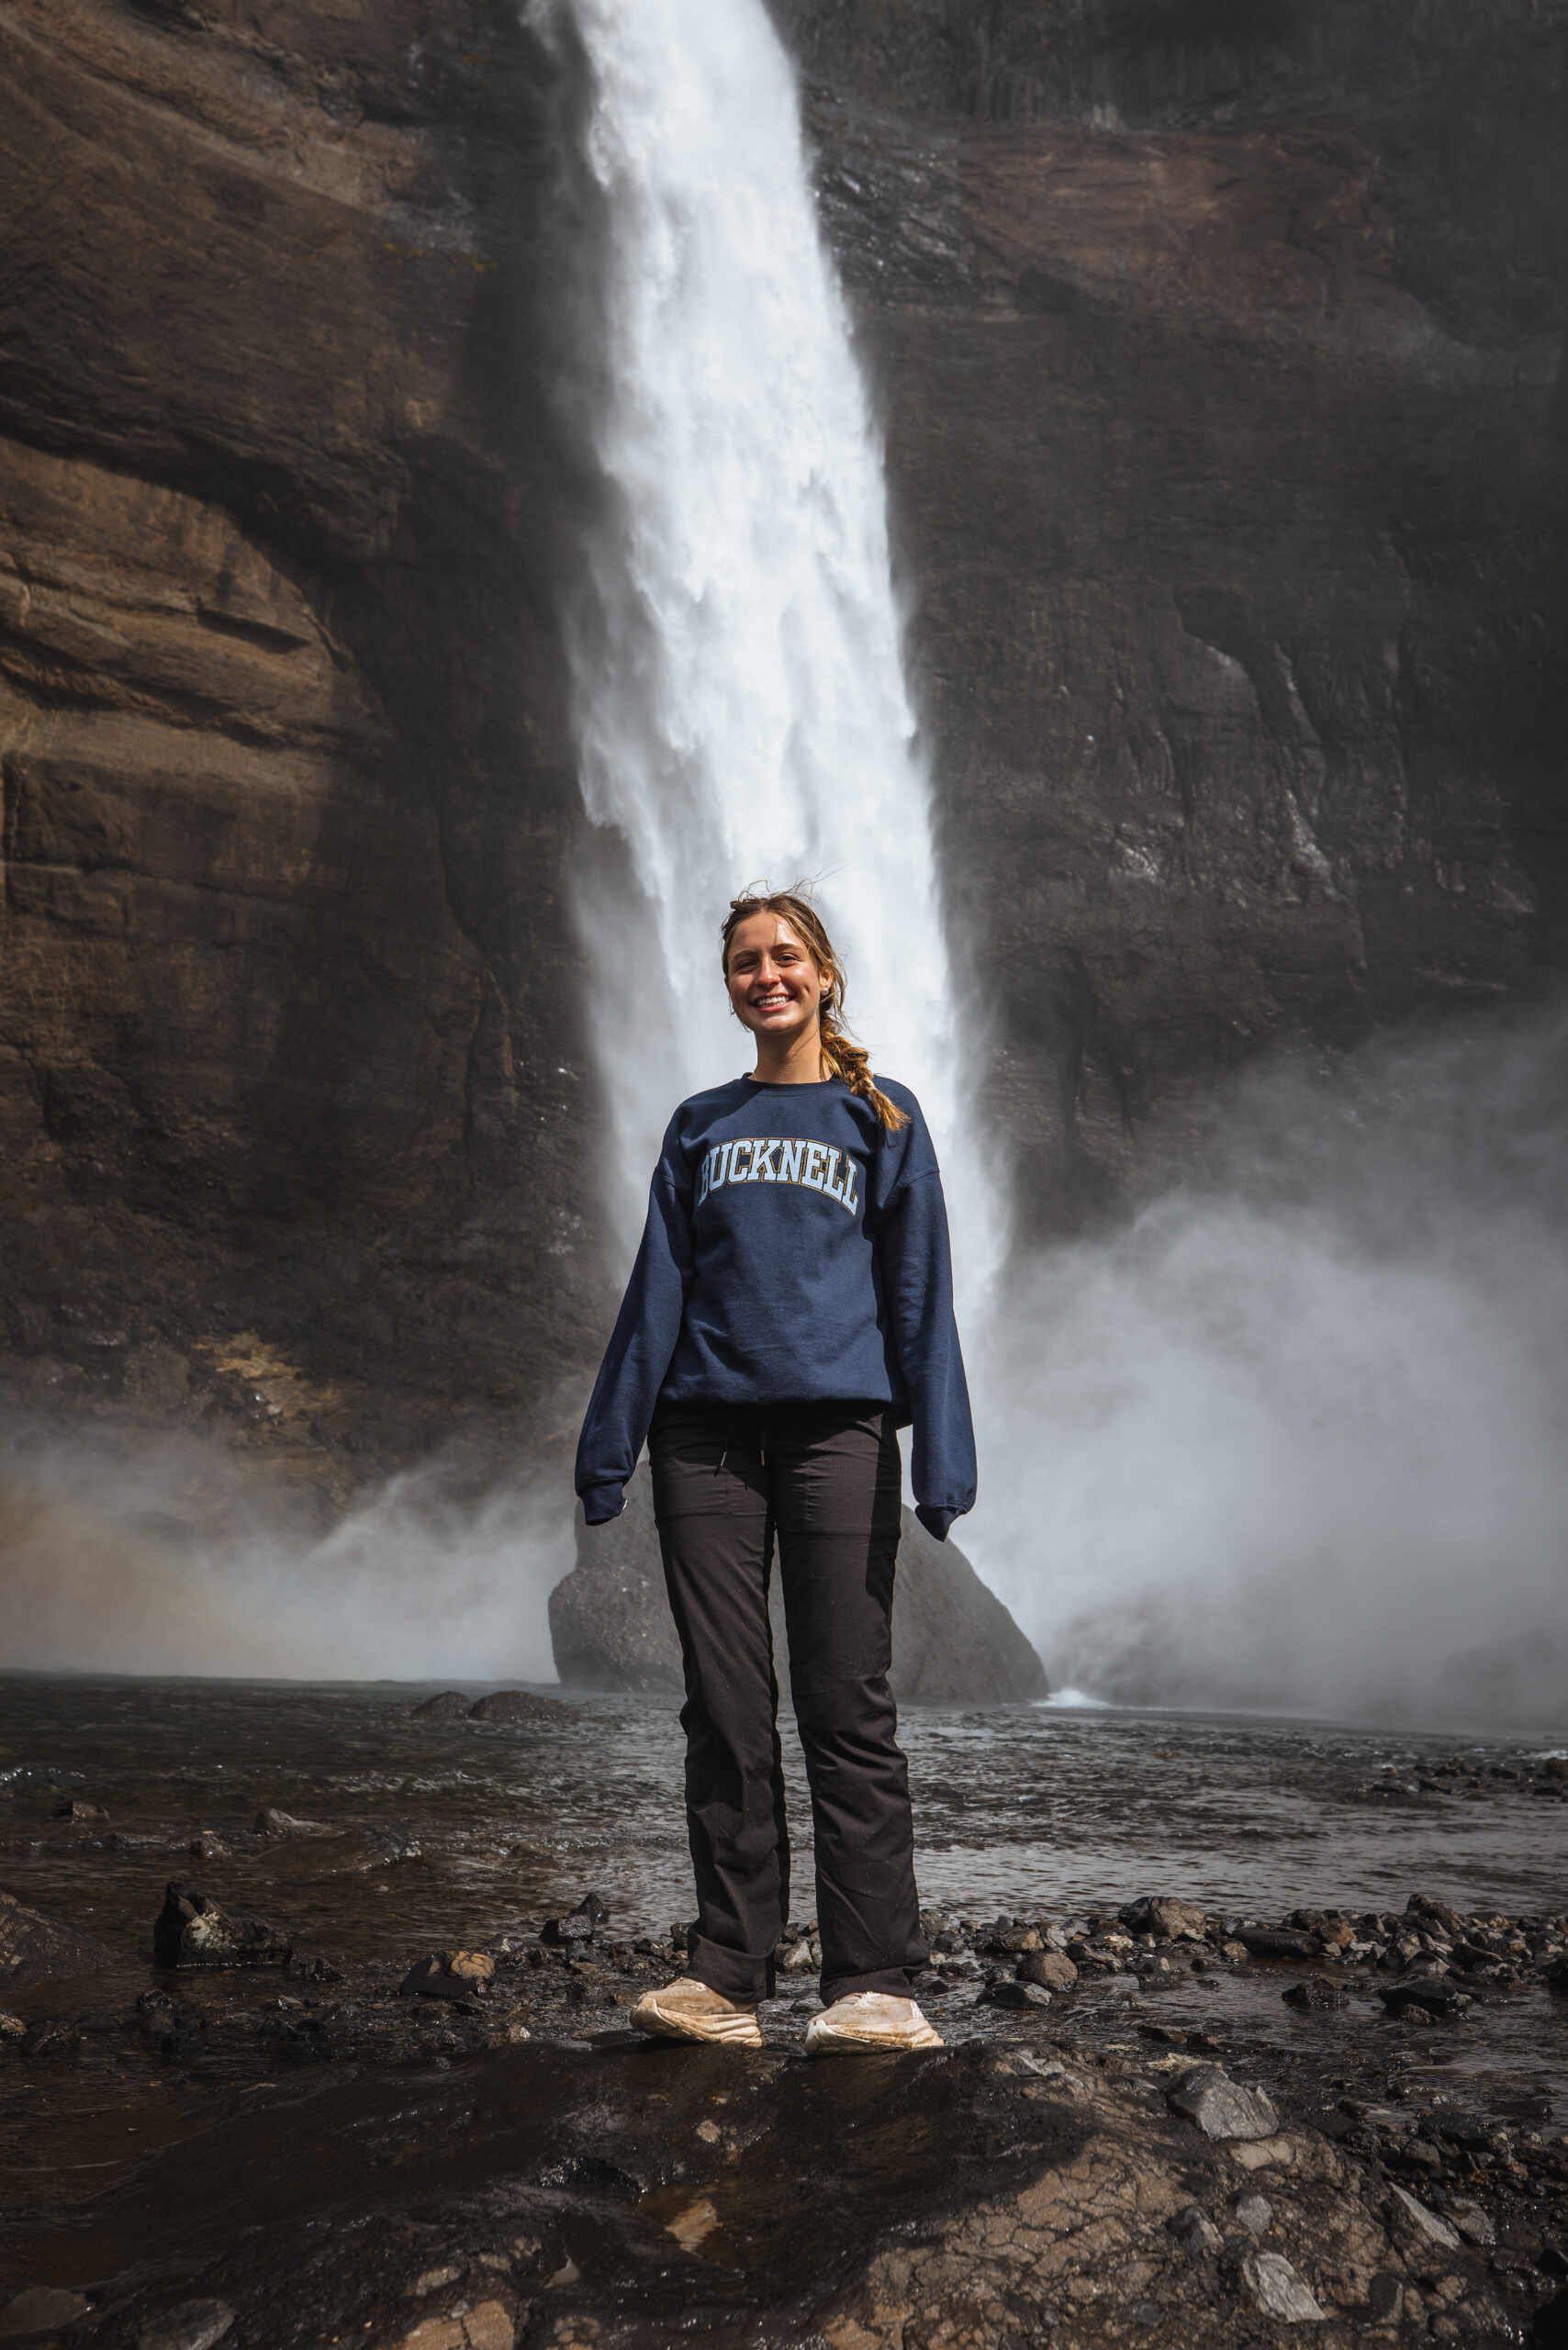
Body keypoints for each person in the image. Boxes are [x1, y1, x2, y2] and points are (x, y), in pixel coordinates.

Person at [574, 887, 976, 2053]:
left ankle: (874, 1984)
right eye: (746, 961)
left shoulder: (883, 1116)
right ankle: (727, 1979)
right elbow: (656, 1294)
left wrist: (940, 1457)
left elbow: (919, 1297)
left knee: (847, 1706)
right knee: (727, 1711)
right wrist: (608, 1452)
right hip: (701, 1444)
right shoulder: (698, 1123)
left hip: (839, 1440)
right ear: (730, 983)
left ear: (826, 974)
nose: (766, 975)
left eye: (785, 956)